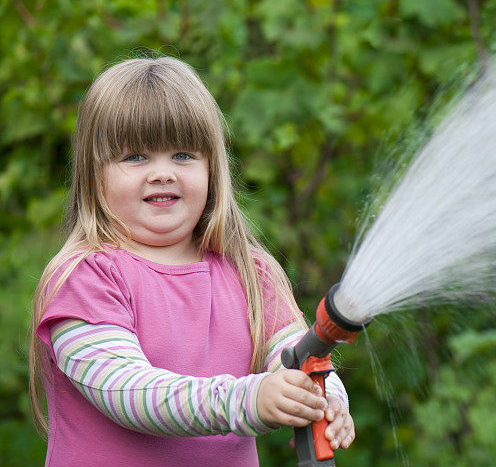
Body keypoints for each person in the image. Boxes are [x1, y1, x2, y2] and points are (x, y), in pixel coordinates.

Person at [27, 57, 355, 466]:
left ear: (212, 169)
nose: (162, 173)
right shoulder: (85, 277)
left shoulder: (249, 271)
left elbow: (295, 352)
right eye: (135, 157)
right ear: (94, 174)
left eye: (183, 155)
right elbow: (128, 393)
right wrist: (249, 399)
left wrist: (325, 395)